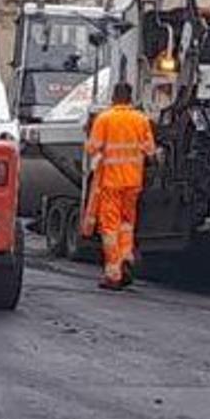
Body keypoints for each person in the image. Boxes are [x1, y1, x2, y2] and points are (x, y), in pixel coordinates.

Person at [84, 81, 155, 291]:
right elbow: (150, 150)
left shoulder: (104, 118)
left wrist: (88, 133)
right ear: (131, 97)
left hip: (111, 182)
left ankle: (113, 273)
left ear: (113, 97)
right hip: (133, 182)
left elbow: (93, 148)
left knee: (110, 228)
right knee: (127, 224)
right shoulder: (141, 120)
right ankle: (126, 257)